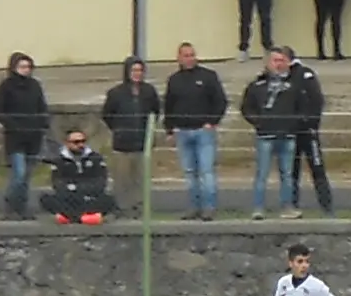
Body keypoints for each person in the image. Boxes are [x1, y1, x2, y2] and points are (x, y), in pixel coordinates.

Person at [242, 48, 313, 219]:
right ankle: (258, 208)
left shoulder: (294, 86)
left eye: (282, 60)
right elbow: (247, 108)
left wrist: (294, 123)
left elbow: (304, 107)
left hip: (287, 136)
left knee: (287, 174)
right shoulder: (257, 85)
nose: (279, 64)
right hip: (265, 136)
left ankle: (287, 207)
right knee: (262, 174)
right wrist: (258, 122)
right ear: (268, 63)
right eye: (275, 60)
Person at [163, 43, 228, 221]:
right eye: (186, 55)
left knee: (206, 171)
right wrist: (169, 129)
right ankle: (193, 207)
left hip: (203, 131)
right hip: (183, 132)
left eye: (192, 55)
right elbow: (169, 105)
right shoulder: (174, 80)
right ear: (179, 58)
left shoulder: (208, 76)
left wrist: (212, 122)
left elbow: (221, 101)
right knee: (190, 172)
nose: (190, 58)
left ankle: (209, 207)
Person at [100, 59, 160, 220]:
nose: (137, 74)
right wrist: (119, 129)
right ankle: (122, 208)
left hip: (142, 143)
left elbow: (156, 111)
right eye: (134, 70)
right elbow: (107, 115)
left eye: (140, 70)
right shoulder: (116, 93)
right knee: (122, 179)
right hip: (122, 143)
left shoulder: (149, 91)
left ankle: (139, 209)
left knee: (140, 179)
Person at [286, 48, 339, 218]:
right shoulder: (275, 76)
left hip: (308, 131)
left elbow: (317, 100)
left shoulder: (305, 74)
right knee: (290, 171)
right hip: (288, 132)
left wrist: (311, 122)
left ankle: (327, 207)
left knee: (317, 168)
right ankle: (291, 206)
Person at [0, 52, 48, 220]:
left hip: (34, 136)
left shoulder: (35, 85)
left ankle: (22, 207)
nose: (26, 70)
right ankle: (10, 203)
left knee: (27, 176)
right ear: (14, 68)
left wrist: (43, 122)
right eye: (22, 67)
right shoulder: (7, 86)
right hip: (15, 137)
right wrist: (13, 125)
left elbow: (42, 106)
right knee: (19, 173)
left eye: (28, 67)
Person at [45, 127, 114, 225]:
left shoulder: (95, 158)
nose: (80, 145)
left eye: (83, 141)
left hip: (90, 197)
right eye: (76, 142)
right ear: (67, 143)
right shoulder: (59, 160)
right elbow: (58, 184)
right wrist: (78, 189)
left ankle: (70, 218)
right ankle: (85, 218)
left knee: (108, 200)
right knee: (47, 199)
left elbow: (100, 183)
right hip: (69, 198)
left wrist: (76, 187)